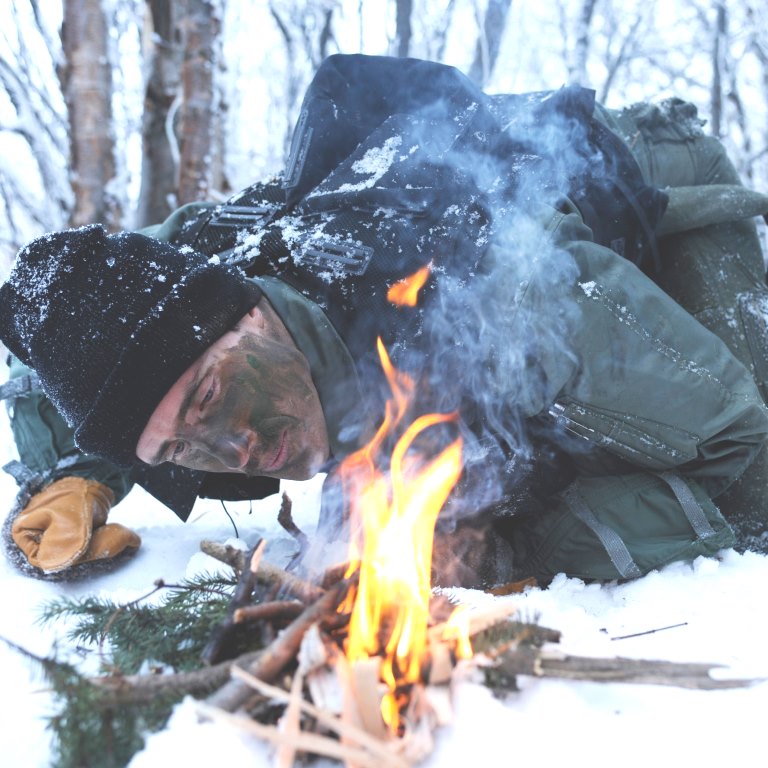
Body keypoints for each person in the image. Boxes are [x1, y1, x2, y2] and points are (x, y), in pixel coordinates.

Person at [2, 54, 768, 586]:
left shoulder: (497, 299)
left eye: (208, 401)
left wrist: (502, 546)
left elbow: (740, 443)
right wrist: (70, 472)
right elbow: (71, 331)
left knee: (748, 490)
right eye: (179, 448)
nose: (231, 449)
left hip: (652, 183)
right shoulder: (218, 263)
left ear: (252, 311)